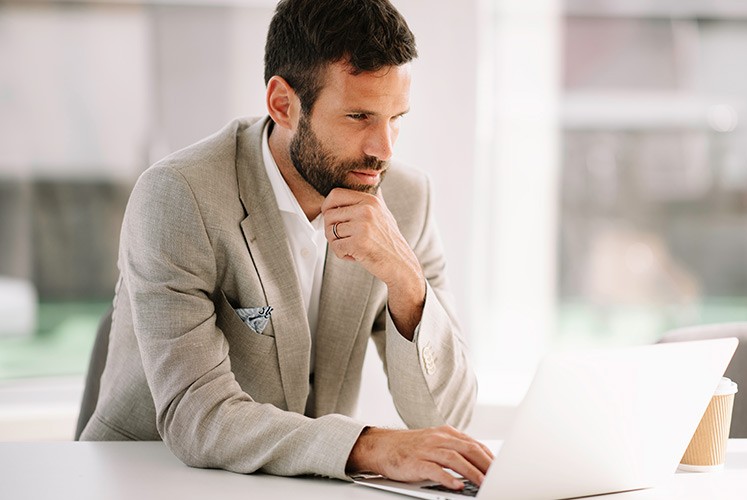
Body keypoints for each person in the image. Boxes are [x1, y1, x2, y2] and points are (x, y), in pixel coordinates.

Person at [80, 0, 492, 491]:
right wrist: (370, 446)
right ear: (282, 104)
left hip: (296, 486)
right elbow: (197, 416)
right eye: (359, 116)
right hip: (146, 480)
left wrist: (406, 279)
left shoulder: (406, 196)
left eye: (396, 117)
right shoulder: (178, 196)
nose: (384, 149)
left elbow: (446, 417)